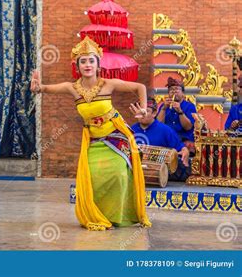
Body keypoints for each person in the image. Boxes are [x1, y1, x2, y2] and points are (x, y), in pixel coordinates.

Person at [30, 36, 151, 230]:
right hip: (94, 139)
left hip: (116, 136)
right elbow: (45, 89)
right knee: (92, 177)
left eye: (91, 60)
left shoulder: (107, 84)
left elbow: (140, 87)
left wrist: (143, 110)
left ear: (98, 65)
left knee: (119, 174)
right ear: (77, 66)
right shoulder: (73, 88)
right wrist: (37, 88)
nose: (87, 64)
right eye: (83, 61)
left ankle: (119, 216)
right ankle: (98, 214)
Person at [131, 97, 190, 181]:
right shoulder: (131, 130)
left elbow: (181, 149)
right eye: (140, 111)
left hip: (161, 176)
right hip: (136, 176)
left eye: (146, 111)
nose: (142, 114)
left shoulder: (166, 130)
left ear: (154, 113)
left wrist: (185, 150)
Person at [156, 77, 197, 153]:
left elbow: (188, 127)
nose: (174, 91)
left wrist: (180, 111)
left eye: (177, 89)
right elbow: (158, 125)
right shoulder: (163, 106)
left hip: (184, 140)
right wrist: (163, 109)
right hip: (167, 139)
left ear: (183, 93)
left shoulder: (189, 106)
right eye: (171, 90)